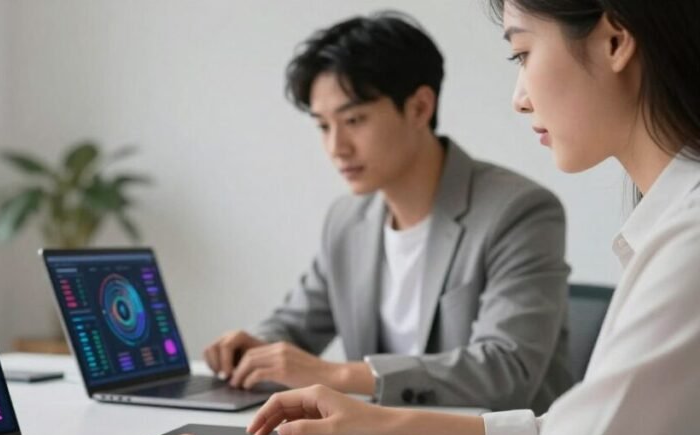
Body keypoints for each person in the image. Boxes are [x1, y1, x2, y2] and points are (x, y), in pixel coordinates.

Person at [119, 1, 700, 435]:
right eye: (323, 126)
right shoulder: (349, 221)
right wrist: (364, 410)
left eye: (521, 54)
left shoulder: (626, 234)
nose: (519, 98)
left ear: (615, 41)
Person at [204, 13, 573, 413]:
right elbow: (295, 325)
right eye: (323, 126)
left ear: (419, 108)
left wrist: (333, 375)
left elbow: (505, 371)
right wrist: (254, 346)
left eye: (353, 120)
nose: (337, 147)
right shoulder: (347, 220)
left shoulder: (518, 211)